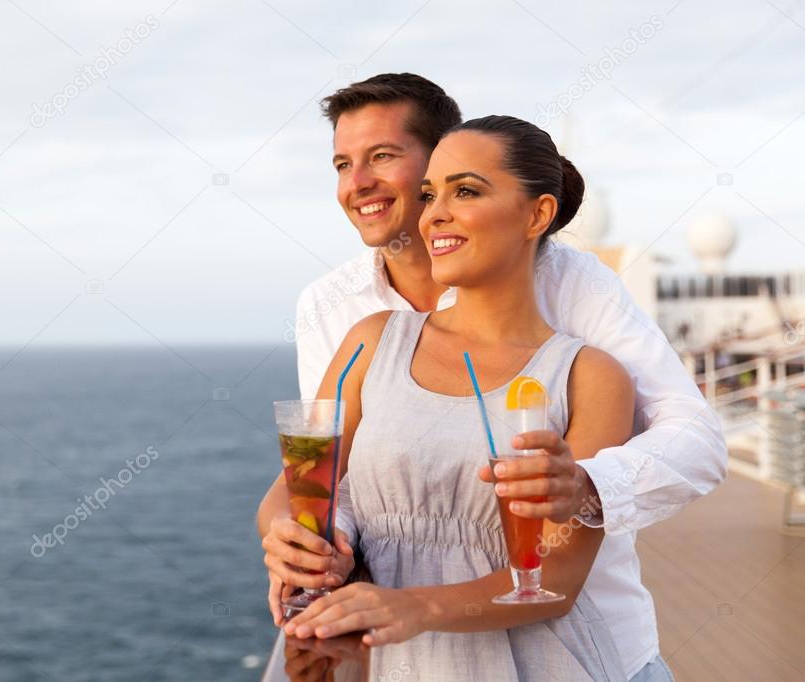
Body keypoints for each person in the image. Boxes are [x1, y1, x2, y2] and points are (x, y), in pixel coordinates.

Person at [259, 74, 724, 680]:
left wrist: (584, 486)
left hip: (566, 644)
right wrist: (296, 545)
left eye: (382, 157)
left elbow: (691, 438)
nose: (358, 183)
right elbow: (316, 479)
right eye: (343, 163)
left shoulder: (584, 330)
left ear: (536, 214)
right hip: (388, 647)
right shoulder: (351, 323)